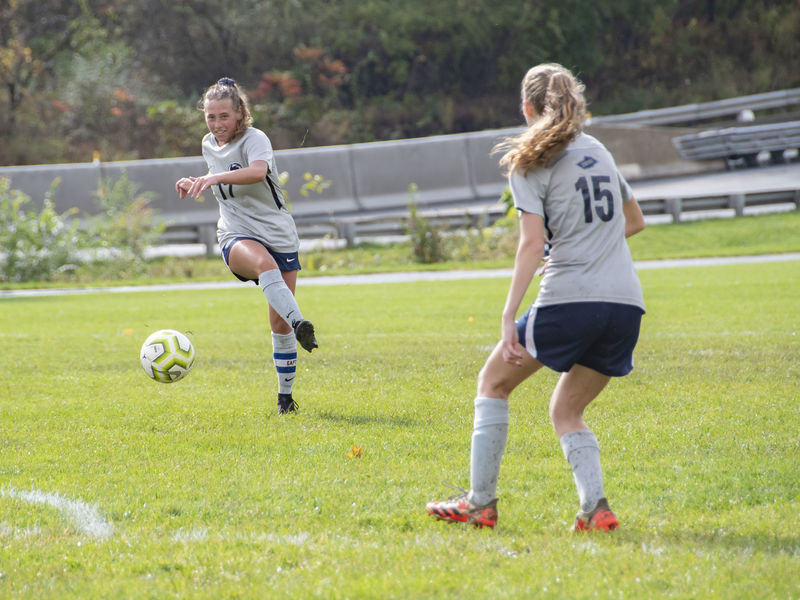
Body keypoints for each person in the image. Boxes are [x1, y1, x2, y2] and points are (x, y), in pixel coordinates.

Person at [425, 63, 646, 531]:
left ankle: (479, 504)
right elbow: (635, 221)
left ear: (526, 108)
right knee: (567, 409)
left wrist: (508, 314)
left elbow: (530, 243)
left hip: (570, 300)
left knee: (492, 383)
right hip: (626, 305)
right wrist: (589, 243)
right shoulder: (599, 151)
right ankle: (596, 509)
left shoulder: (530, 158)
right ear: (574, 101)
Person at [175, 77, 318, 415]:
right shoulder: (208, 143)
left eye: (224, 116)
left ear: (240, 113)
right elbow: (221, 175)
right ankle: (301, 323)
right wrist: (199, 180)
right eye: (211, 117)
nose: (217, 124)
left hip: (278, 233)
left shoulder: (256, 139)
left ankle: (285, 400)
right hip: (235, 234)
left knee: (277, 325)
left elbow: (256, 172)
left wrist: (211, 178)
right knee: (265, 266)